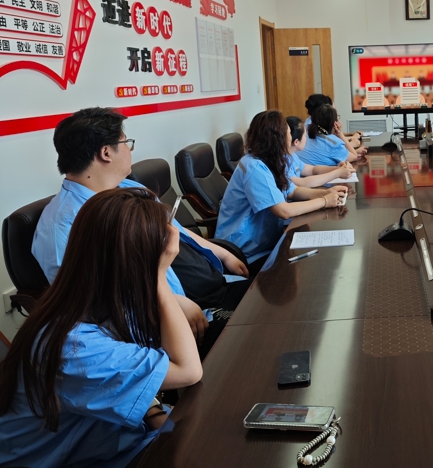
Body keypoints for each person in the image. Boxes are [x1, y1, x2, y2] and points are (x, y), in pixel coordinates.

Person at [0, 188, 202, 468]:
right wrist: (157, 276)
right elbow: (188, 370)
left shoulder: (100, 298)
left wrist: (154, 412)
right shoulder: (73, 346)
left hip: (109, 435)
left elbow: (128, 371)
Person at [31, 108, 250, 358]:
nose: (130, 150)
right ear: (106, 152)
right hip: (168, 326)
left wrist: (222, 253)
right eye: (126, 143)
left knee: (269, 296)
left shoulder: (129, 188)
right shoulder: (60, 227)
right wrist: (173, 303)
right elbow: (89, 302)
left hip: (206, 288)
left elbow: (178, 232)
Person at [216, 110, 348, 273]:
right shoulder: (254, 168)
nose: (291, 137)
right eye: (288, 133)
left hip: (266, 243)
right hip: (244, 253)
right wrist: (324, 201)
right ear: (276, 139)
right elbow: (284, 211)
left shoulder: (273, 160)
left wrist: (326, 193)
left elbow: (293, 191)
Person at [286, 116, 355, 187]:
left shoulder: (293, 156)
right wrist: (337, 173)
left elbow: (312, 170)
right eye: (305, 136)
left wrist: (337, 168)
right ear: (296, 142)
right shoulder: (282, 161)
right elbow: (301, 183)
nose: (306, 139)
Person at [299, 105, 367, 165]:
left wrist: (352, 152)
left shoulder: (305, 136)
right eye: (338, 118)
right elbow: (354, 157)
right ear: (335, 124)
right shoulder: (334, 142)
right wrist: (340, 134)